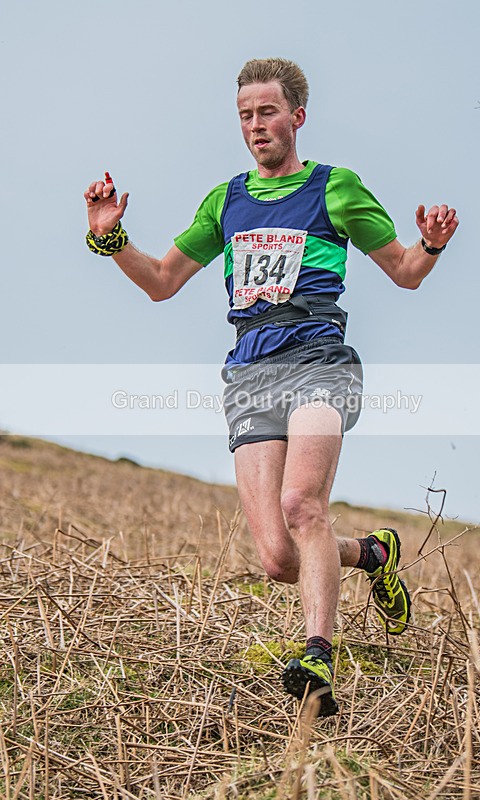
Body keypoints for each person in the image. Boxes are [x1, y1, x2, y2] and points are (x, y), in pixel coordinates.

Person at [84, 57, 459, 717]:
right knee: (278, 558)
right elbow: (161, 282)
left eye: (266, 112)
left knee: (301, 504)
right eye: (245, 115)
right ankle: (372, 554)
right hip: (251, 370)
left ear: (296, 117)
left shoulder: (335, 188)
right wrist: (110, 238)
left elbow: (402, 270)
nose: (256, 125)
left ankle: (317, 652)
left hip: (317, 354)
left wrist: (428, 246)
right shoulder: (224, 201)